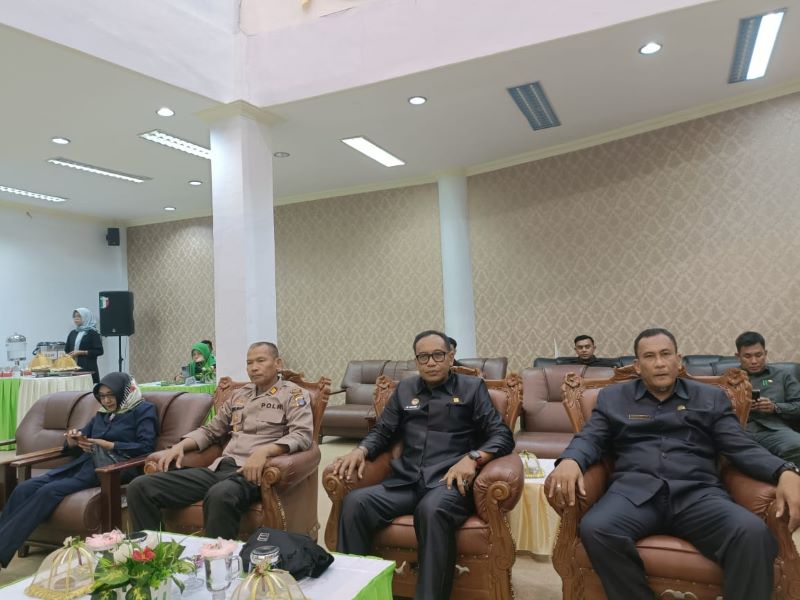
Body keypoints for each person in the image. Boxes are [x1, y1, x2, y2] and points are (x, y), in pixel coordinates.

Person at [545, 328, 800, 600]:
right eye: (649, 356)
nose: (659, 363)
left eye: (665, 354)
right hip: (634, 493)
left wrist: (784, 471)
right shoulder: (614, 398)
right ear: (637, 365)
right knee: (596, 528)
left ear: (678, 360)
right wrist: (571, 459)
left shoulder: (710, 398)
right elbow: (591, 437)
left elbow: (740, 446)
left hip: (697, 493)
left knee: (752, 533)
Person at [333, 330, 514, 599]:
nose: (431, 362)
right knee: (355, 503)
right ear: (416, 361)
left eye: (438, 355)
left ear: (450, 357)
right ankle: (357, 592)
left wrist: (473, 458)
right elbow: (383, 431)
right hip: (406, 481)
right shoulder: (405, 389)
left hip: (449, 483)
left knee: (430, 509)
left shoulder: (472, 388)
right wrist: (361, 450)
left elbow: (502, 435)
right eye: (423, 357)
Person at [127, 342, 313, 539]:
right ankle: (152, 550)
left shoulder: (292, 395)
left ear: (278, 363)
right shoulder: (239, 395)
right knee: (140, 487)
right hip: (219, 468)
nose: (254, 367)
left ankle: (217, 557)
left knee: (220, 494)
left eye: (260, 361)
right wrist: (180, 446)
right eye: (249, 363)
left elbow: (302, 434)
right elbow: (211, 430)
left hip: (252, 473)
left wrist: (265, 452)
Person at [0, 372, 157, 568]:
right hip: (84, 464)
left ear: (123, 392)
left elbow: (146, 447)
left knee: (48, 491)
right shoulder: (102, 413)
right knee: (25, 488)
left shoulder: (143, 410)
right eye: (102, 396)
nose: (106, 401)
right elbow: (83, 436)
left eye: (111, 395)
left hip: (113, 468)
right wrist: (73, 439)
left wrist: (110, 445)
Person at [736, 331, 800, 464]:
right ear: (738, 356)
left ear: (765, 353)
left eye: (758, 355)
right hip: (738, 431)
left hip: (773, 430)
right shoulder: (727, 378)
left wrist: (775, 407)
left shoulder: (782, 376)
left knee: (796, 445)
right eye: (747, 356)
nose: (754, 361)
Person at [65, 307, 104, 383]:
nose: (76, 319)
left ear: (86, 317)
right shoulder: (72, 333)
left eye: (79, 316)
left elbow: (99, 351)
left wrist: (81, 352)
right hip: (73, 369)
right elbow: (67, 350)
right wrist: (67, 355)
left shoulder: (92, 333)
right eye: (74, 316)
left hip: (88, 370)